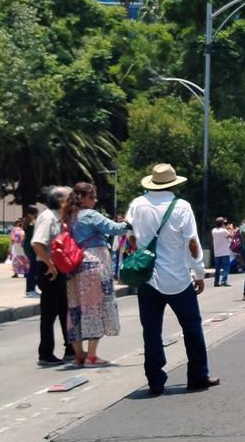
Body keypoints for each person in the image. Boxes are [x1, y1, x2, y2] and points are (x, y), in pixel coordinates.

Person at [126, 164, 219, 395]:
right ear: (174, 184)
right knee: (192, 327)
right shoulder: (182, 207)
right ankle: (198, 375)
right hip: (177, 277)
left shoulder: (137, 205)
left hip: (147, 277)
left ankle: (155, 380)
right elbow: (192, 243)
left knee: (151, 331)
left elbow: (129, 238)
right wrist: (198, 273)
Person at [60, 183, 128, 366]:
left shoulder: (69, 217)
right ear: (83, 197)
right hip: (93, 264)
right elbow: (116, 229)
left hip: (74, 268)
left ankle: (79, 355)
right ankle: (91, 356)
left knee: (75, 309)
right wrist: (129, 222)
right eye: (92, 196)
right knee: (94, 309)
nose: (95, 200)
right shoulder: (90, 215)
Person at [30, 186, 74, 365]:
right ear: (61, 201)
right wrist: (51, 264)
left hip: (58, 269)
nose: (74, 199)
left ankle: (70, 349)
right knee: (49, 313)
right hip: (49, 271)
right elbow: (37, 243)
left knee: (65, 310)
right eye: (70, 197)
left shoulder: (60, 218)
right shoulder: (48, 218)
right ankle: (45, 354)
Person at [22, 205, 40, 297]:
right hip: (31, 248)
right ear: (30, 213)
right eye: (35, 213)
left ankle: (31, 289)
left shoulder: (27, 222)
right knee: (33, 269)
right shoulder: (32, 223)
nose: (37, 215)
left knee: (33, 269)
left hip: (28, 247)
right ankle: (30, 290)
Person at [211, 217, 232, 287]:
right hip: (225, 252)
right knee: (226, 267)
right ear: (222, 223)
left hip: (217, 252)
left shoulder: (213, 230)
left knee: (217, 268)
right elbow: (231, 236)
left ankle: (216, 282)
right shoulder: (224, 231)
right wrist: (230, 229)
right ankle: (224, 281)